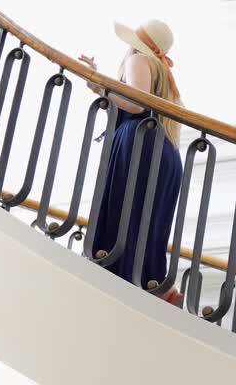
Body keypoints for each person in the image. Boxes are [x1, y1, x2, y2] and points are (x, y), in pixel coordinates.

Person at [79, 18, 184, 305]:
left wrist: (100, 87)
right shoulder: (162, 71)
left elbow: (137, 103)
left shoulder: (139, 60)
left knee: (124, 212)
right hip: (164, 151)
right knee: (148, 220)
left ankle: (120, 276)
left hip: (141, 144)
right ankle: (157, 287)